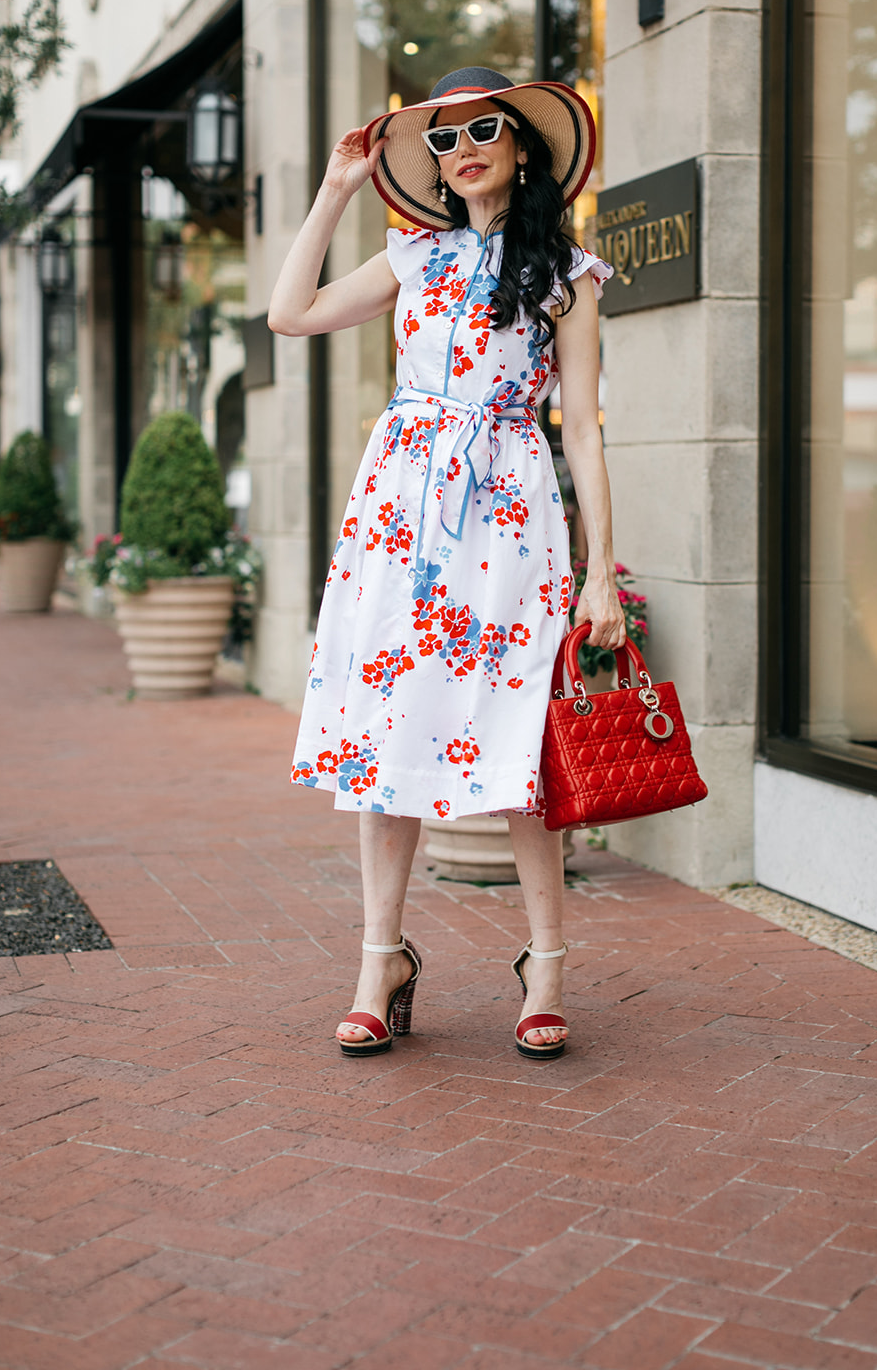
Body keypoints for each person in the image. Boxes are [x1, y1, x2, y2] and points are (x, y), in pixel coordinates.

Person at [268, 66, 624, 1060]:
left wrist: (601, 570)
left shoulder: (569, 275)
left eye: (483, 129)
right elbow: (287, 315)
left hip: (510, 514)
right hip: (399, 516)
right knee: (385, 739)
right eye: (441, 136)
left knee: (516, 740)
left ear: (521, 147)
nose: (461, 147)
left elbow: (584, 434)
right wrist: (337, 189)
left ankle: (544, 963)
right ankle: (378, 959)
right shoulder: (411, 257)